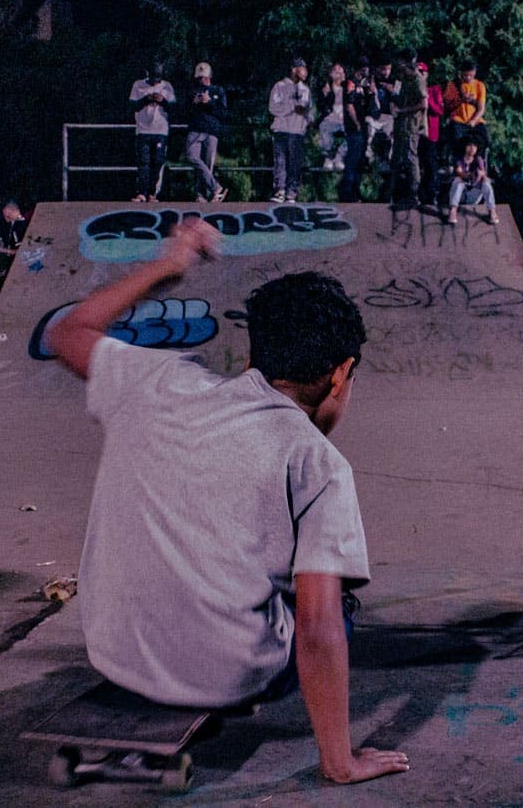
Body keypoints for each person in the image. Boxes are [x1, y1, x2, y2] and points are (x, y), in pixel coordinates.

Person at [48, 218, 409, 785]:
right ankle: (243, 680)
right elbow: (316, 627)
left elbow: (67, 333)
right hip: (230, 676)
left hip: (114, 653)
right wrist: (340, 760)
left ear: (253, 356)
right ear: (342, 375)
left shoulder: (156, 380)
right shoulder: (319, 463)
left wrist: (168, 265)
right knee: (337, 604)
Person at [129, 62, 175, 203]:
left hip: (160, 129)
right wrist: (146, 98)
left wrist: (163, 101)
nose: (155, 83)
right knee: (144, 161)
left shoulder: (167, 86)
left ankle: (152, 193)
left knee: (158, 162)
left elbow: (173, 107)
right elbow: (132, 105)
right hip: (143, 129)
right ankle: (141, 192)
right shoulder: (138, 85)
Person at [268, 57, 313, 204]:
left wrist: (307, 117)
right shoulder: (279, 86)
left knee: (295, 163)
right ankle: (279, 190)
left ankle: (291, 193)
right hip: (282, 129)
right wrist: (291, 108)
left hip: (297, 131)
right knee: (280, 161)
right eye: (302, 68)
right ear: (294, 69)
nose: (305, 72)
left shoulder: (305, 90)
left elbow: (310, 111)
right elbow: (273, 108)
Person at [184, 62, 228, 204]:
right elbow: (183, 111)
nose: (202, 81)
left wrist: (209, 102)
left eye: (204, 78)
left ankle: (204, 195)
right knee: (192, 156)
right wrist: (194, 103)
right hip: (195, 129)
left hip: (212, 130)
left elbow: (223, 113)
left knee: (208, 164)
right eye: (199, 78)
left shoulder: (218, 91)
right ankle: (216, 187)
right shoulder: (192, 91)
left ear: (209, 77)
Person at [389, 49, 428, 205]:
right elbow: (396, 95)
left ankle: (414, 193)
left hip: (411, 124)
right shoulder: (401, 77)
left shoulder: (417, 79)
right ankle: (392, 191)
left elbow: (423, 104)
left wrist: (403, 110)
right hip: (399, 124)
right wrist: (393, 105)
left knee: (411, 157)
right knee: (396, 157)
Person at [338, 62, 372, 203]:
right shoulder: (351, 83)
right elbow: (349, 105)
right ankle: (347, 190)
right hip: (354, 128)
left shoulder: (362, 84)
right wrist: (356, 122)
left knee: (359, 161)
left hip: (362, 126)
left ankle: (356, 190)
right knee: (353, 159)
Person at [444, 60, 490, 161]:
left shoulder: (480, 86)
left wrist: (473, 121)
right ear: (461, 74)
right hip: (458, 119)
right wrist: (460, 100)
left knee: (485, 139)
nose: (468, 78)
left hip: (475, 120)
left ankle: (479, 164)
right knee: (456, 139)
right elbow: (447, 106)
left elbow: (481, 108)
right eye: (465, 75)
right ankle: (459, 164)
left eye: (471, 75)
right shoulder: (453, 85)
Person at [446, 140, 499, 226]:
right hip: (461, 196)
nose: (472, 148)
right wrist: (469, 175)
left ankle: (492, 211)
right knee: (457, 181)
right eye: (469, 145)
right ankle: (453, 211)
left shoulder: (478, 159)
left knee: (486, 183)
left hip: (474, 195)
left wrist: (479, 175)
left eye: (474, 146)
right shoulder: (460, 159)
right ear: (465, 146)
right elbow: (459, 171)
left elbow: (484, 174)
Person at [418, 61, 444, 205]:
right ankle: (416, 194)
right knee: (416, 164)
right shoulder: (411, 88)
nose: (420, 75)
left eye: (422, 73)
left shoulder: (434, 90)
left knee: (430, 163)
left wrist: (427, 100)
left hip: (430, 133)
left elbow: (440, 110)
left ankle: (431, 194)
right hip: (416, 131)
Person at [316, 63, 348, 171]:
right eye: (336, 71)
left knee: (355, 134)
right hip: (331, 118)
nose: (339, 73)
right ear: (331, 74)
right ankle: (329, 156)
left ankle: (340, 156)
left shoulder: (348, 89)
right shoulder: (326, 88)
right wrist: (325, 95)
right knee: (324, 128)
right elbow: (320, 106)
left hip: (345, 120)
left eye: (341, 71)